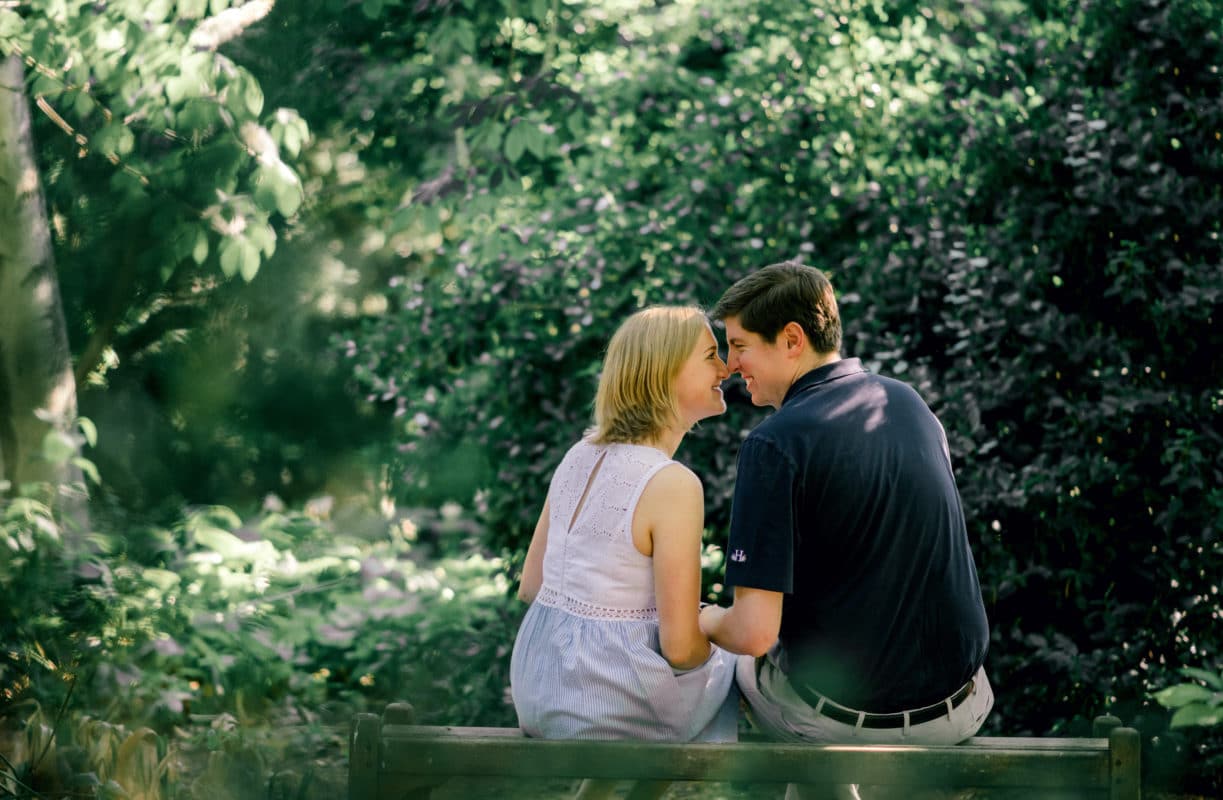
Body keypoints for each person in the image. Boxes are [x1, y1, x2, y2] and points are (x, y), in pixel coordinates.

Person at [698, 262, 994, 800]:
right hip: (963, 704)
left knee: (733, 660)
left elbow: (755, 633)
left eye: (739, 345)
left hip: (848, 723)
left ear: (791, 340)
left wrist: (707, 618)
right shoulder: (909, 404)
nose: (728, 364)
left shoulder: (775, 444)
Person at [510, 305, 740, 800]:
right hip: (604, 703)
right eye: (710, 356)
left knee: (668, 679)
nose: (726, 368)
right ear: (664, 373)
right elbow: (680, 650)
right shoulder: (672, 483)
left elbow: (531, 587)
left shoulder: (580, 453)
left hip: (539, 683)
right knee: (733, 665)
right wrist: (718, 633)